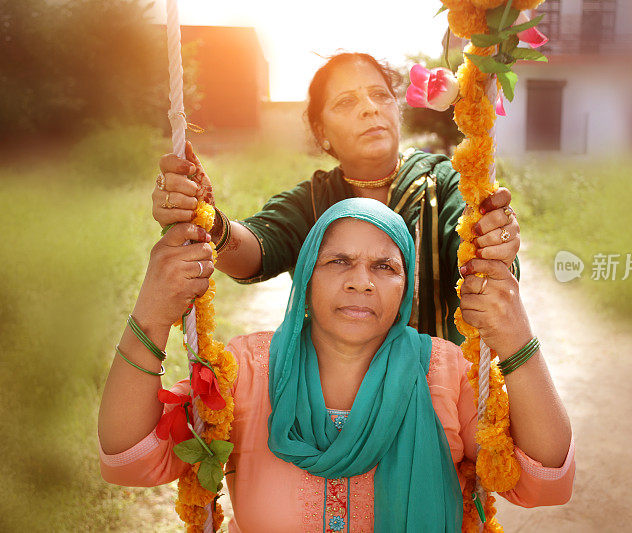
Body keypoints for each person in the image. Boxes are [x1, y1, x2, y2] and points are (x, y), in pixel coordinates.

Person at [98, 198, 574, 532]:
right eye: (338, 261)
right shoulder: (246, 369)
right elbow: (129, 458)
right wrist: (153, 312)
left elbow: (545, 481)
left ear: (406, 289)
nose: (361, 282)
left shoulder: (447, 373)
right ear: (305, 278)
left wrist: (515, 338)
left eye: (385, 267)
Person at [152, 52, 520, 344]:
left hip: (438, 398)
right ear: (321, 131)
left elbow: (477, 256)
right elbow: (255, 251)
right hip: (334, 404)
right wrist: (207, 218)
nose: (369, 108)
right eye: (346, 102)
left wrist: (492, 240)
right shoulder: (313, 199)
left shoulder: (443, 181)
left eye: (380, 95)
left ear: (397, 109)